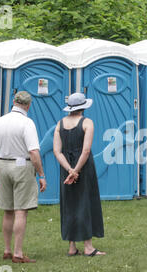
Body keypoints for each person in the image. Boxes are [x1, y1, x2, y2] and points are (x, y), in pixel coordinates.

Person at [0, 91, 46, 263]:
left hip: (2, 165)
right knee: (21, 211)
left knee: (8, 210)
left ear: (13, 102)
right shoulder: (27, 123)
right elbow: (33, 152)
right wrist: (41, 174)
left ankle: (6, 250)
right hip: (22, 166)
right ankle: (18, 252)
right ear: (28, 105)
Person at [53, 93, 105, 257]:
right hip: (84, 167)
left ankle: (72, 246)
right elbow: (86, 150)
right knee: (85, 202)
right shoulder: (87, 122)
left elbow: (57, 151)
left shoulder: (60, 123)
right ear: (83, 107)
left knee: (70, 204)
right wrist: (76, 170)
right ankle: (88, 247)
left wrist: (69, 170)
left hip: (65, 167)